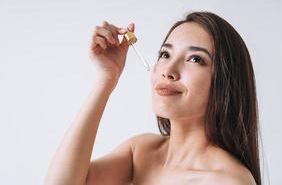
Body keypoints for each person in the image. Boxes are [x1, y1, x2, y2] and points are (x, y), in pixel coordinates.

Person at [45, 11, 261, 185]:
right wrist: (106, 78)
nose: (168, 70)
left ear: (225, 81)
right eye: (165, 55)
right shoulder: (140, 152)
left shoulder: (229, 181)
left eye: (195, 59)